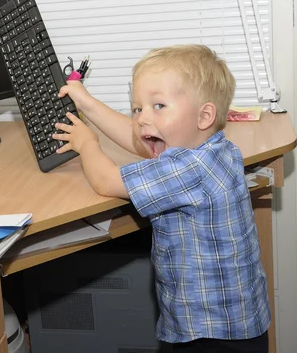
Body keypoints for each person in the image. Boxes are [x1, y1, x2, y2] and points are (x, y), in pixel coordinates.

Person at [53, 44, 270, 352]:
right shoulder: (216, 149)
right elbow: (139, 142)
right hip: (237, 320)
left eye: (158, 107)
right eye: (137, 108)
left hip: (211, 333)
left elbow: (105, 181)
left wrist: (88, 144)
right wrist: (86, 103)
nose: (142, 119)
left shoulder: (189, 169)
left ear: (204, 115)